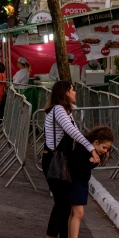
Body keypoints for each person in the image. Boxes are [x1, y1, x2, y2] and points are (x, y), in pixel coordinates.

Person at [43, 81, 100, 238]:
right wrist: (92, 149)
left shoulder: (66, 111)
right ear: (66, 93)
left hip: (60, 160)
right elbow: (73, 132)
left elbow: (76, 132)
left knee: (65, 205)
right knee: (61, 204)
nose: (75, 93)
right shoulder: (58, 110)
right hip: (54, 161)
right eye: (73, 90)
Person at [69, 126, 114, 238]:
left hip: (81, 183)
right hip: (76, 183)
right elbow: (78, 169)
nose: (105, 151)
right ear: (96, 142)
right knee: (79, 213)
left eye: (107, 149)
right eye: (104, 147)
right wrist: (90, 161)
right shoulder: (82, 149)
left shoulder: (89, 149)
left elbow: (86, 167)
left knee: (74, 213)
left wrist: (97, 159)